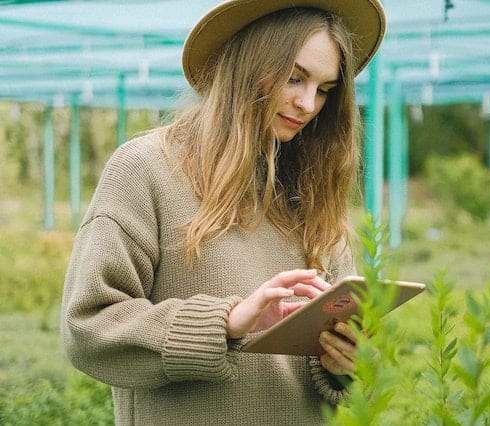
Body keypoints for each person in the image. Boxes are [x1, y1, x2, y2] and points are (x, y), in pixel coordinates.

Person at [60, 1, 386, 425]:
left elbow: (343, 369)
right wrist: (224, 323)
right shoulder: (147, 169)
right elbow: (89, 326)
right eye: (294, 77)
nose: (308, 103)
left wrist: (348, 363)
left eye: (325, 89)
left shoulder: (313, 191)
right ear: (247, 65)